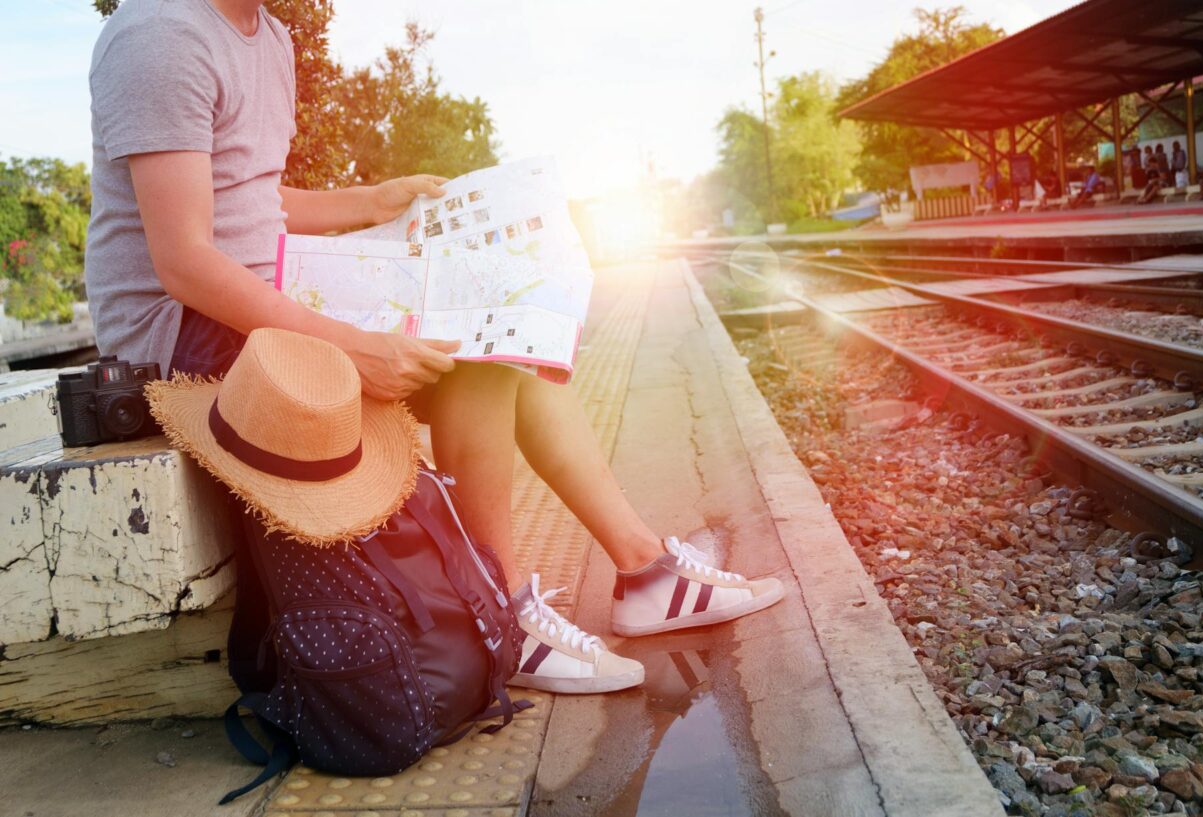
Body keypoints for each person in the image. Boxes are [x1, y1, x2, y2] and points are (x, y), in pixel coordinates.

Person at [86, 0, 783, 696]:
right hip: (183, 329)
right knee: (470, 358)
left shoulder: (268, 37)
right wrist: (354, 346)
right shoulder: (161, 35)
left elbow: (251, 198)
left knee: (508, 329)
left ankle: (643, 569)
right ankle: (499, 613)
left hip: (268, 289)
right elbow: (184, 260)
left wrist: (372, 200)